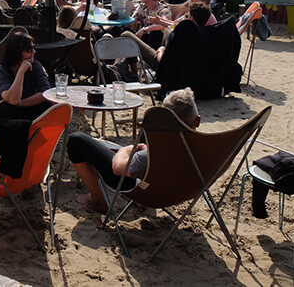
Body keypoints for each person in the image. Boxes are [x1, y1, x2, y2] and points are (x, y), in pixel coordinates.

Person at [69, 88, 200, 213]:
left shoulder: (152, 154)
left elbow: (118, 168)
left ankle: (97, 201)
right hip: (180, 193)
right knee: (145, 133)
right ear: (197, 121)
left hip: (148, 192)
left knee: (76, 140)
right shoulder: (206, 150)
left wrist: (126, 151)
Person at [0, 30, 53, 121]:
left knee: (47, 105)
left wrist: (20, 103)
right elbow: (12, 100)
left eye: (33, 48)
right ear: (16, 53)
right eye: (29, 50)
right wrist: (21, 72)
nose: (34, 52)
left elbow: (45, 93)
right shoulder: (1, 70)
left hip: (21, 107)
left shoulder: (35, 65)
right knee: (8, 106)